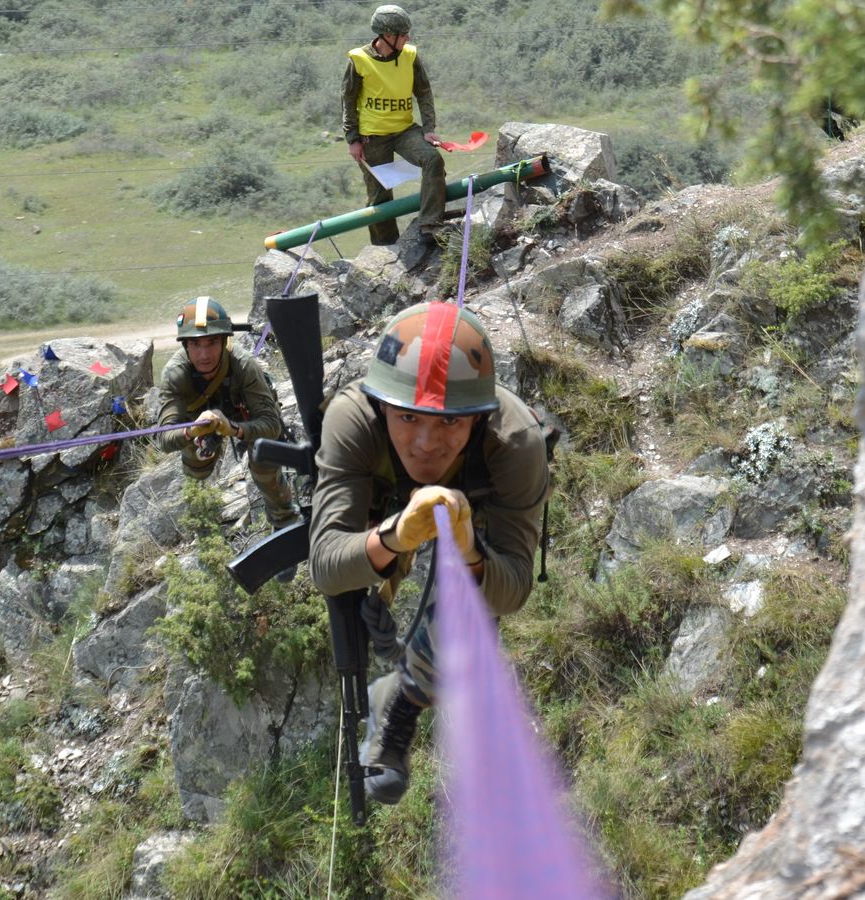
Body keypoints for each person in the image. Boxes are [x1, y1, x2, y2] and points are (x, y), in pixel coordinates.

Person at [310, 302, 550, 803]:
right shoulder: (352, 419)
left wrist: (470, 552)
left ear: (478, 419)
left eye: (450, 423)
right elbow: (327, 565)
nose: (426, 443)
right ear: (381, 407)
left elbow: (513, 588)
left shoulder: (515, 443)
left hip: (474, 510)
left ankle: (400, 699)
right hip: (382, 508)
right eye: (407, 417)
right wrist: (395, 537)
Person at [155, 296, 300, 532]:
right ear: (185, 345)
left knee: (265, 458)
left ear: (224, 341)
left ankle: (285, 522)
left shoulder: (243, 365)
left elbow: (271, 424)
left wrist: (232, 429)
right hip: (199, 425)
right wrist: (193, 431)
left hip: (244, 417)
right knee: (197, 469)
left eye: (212, 342)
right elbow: (164, 437)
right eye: (195, 344)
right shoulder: (175, 375)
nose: (204, 354)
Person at [342, 4, 448, 247]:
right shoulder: (358, 60)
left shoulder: (410, 56)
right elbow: (347, 100)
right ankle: (385, 248)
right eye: (403, 34)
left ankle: (429, 224)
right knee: (379, 197)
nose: (407, 38)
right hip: (371, 137)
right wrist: (353, 139)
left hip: (404, 131)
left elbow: (424, 92)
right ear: (387, 36)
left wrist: (429, 128)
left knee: (433, 160)